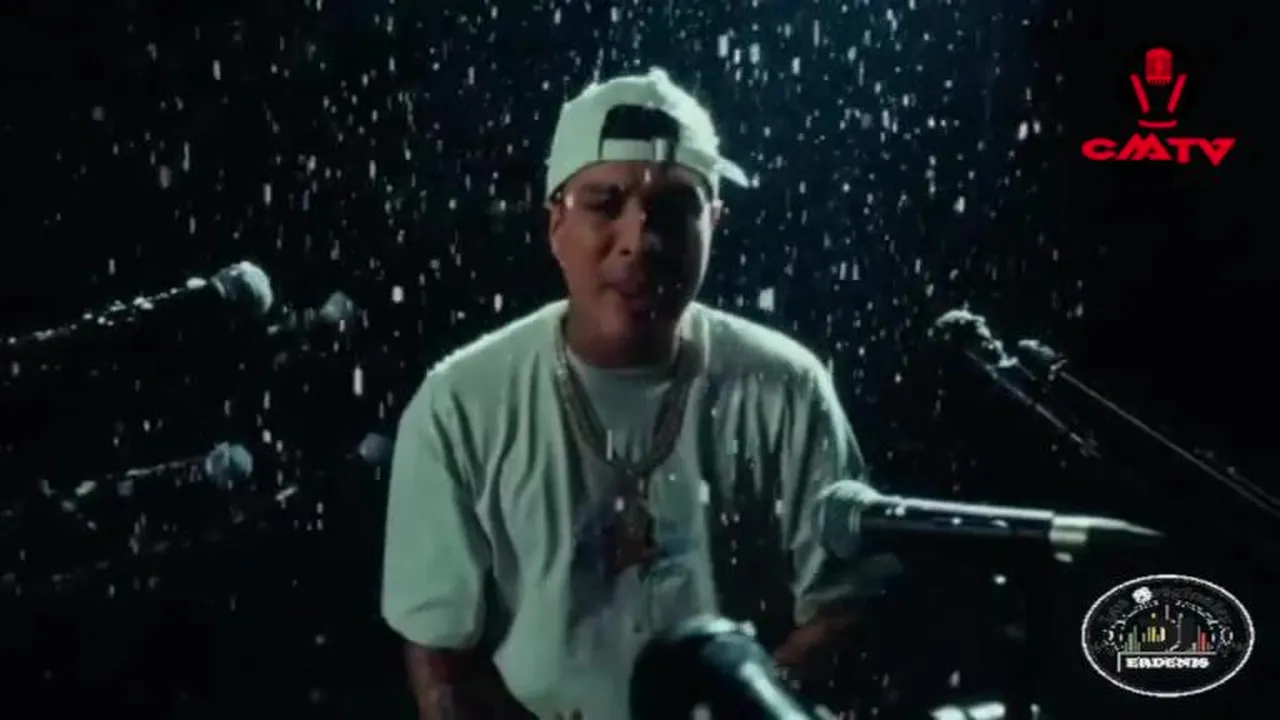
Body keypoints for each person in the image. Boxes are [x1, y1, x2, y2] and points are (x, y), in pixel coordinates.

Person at [382, 67, 874, 720]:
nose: (641, 240)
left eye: (673, 208)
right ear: (556, 223)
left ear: (714, 223)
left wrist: (743, 703)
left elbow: (846, 609)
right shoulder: (460, 403)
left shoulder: (787, 388)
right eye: (605, 204)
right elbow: (443, 658)